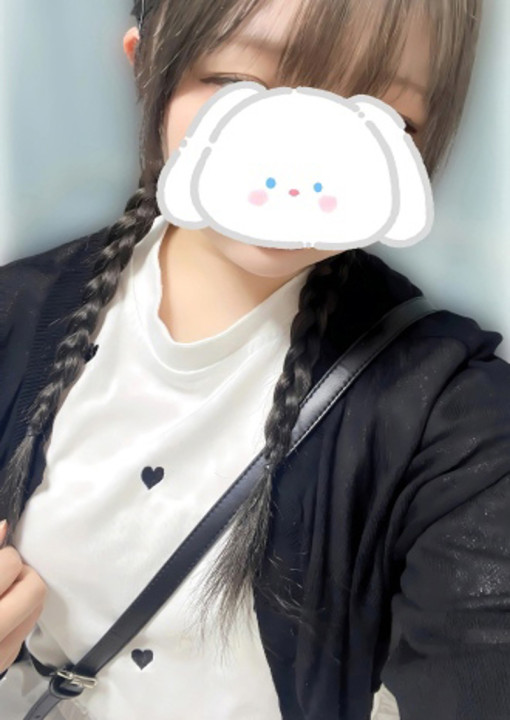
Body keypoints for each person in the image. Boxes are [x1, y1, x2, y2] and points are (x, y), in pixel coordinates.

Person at [1, 0, 509, 719]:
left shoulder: (454, 409)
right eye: (238, 84)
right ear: (148, 69)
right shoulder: (14, 314)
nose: (297, 161)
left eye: (377, 114)